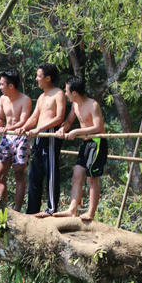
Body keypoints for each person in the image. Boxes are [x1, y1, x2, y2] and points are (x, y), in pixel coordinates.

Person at [53, 77, 108, 222]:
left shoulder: (93, 105)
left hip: (97, 143)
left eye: (67, 91)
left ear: (75, 93)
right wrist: (62, 129)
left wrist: (77, 132)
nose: (65, 94)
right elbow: (69, 121)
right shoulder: (75, 106)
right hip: (85, 143)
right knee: (77, 175)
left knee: (92, 178)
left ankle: (90, 213)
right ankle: (72, 210)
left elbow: (99, 127)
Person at [17, 63, 66, 216]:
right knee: (34, 173)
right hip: (38, 136)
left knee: (50, 171)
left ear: (48, 78)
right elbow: (34, 116)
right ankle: (32, 209)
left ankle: (51, 209)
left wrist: (40, 128)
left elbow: (59, 117)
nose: (36, 79)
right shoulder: (41, 96)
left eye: (39, 76)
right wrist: (24, 127)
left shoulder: (58, 94)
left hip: (50, 134)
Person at [0, 70, 32, 211]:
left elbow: (23, 121)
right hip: (6, 137)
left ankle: (17, 209)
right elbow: (0, 118)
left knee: (19, 173)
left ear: (11, 86)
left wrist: (7, 128)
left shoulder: (25, 100)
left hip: (20, 137)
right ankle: (1, 208)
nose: (0, 87)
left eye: (2, 84)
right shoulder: (3, 99)